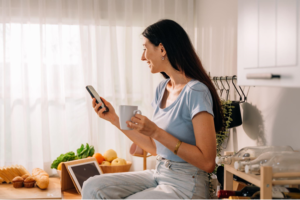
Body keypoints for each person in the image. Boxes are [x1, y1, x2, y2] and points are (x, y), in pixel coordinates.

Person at [82, 19, 224, 200]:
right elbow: (155, 148)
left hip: (188, 182)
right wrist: (114, 118)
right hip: (160, 172)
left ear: (162, 49)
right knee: (92, 187)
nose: (142, 57)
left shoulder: (196, 91)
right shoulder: (162, 88)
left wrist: (156, 132)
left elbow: (207, 162)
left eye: (145, 48)